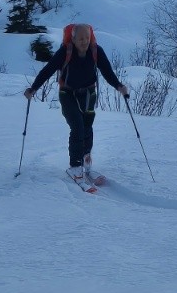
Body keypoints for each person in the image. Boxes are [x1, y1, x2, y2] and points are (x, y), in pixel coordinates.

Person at [24, 23, 130, 180]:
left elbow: (107, 71)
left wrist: (119, 86)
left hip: (88, 93)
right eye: (80, 38)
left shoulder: (96, 51)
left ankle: (86, 164)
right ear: (73, 39)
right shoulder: (65, 51)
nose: (84, 41)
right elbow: (48, 70)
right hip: (67, 94)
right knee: (78, 127)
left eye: (87, 37)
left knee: (87, 128)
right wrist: (33, 88)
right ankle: (75, 165)